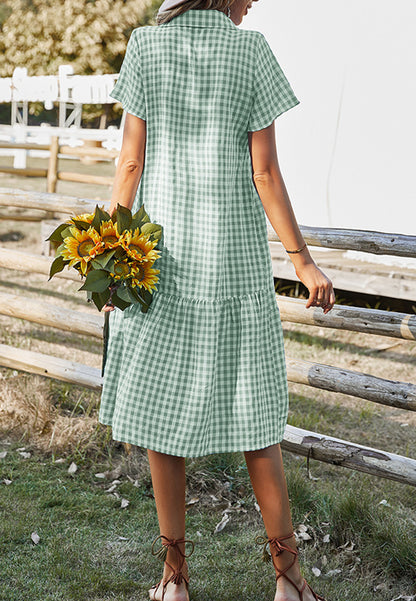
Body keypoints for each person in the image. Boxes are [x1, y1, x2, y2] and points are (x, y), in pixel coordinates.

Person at [99, 1, 334, 600]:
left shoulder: (145, 47)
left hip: (162, 264)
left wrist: (111, 263)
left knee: (162, 421)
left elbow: (129, 162)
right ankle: (289, 582)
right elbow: (266, 174)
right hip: (232, 266)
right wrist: (302, 262)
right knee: (256, 417)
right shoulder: (250, 50)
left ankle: (174, 582)